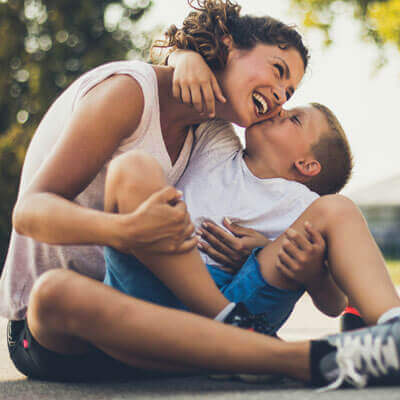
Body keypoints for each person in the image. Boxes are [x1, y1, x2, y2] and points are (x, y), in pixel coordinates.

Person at [2, 0, 310, 382]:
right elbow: (29, 211)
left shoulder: (211, 130)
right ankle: (263, 346)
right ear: (229, 45)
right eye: (278, 71)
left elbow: (256, 196)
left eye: (290, 91)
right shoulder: (128, 93)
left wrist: (255, 249)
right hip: (58, 332)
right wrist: (122, 231)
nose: (281, 96)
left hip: (142, 312)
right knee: (57, 291)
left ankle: (240, 337)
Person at [103, 101, 400, 337]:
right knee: (132, 166)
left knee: (339, 208)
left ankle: (392, 323)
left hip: (242, 306)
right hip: (157, 287)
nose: (281, 108)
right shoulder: (217, 143)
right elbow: (207, 89)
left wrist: (310, 272)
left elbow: (334, 304)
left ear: (306, 165)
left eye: (294, 119)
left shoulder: (305, 207)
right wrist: (185, 57)